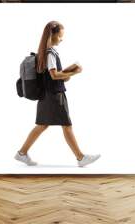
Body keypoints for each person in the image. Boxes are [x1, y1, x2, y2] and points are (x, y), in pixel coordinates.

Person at [15, 21, 100, 167]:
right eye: (60, 36)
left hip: (46, 95)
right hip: (55, 96)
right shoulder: (50, 53)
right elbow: (54, 76)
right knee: (67, 125)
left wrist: (68, 72)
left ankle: (22, 153)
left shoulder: (44, 52)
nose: (62, 39)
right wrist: (75, 72)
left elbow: (52, 76)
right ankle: (81, 158)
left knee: (42, 125)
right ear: (52, 34)